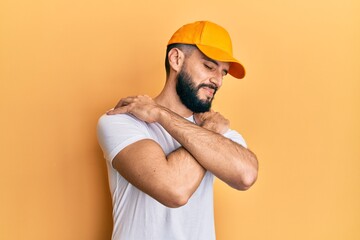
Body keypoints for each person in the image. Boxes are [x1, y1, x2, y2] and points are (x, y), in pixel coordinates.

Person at [97, 20, 258, 240]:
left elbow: (247, 176)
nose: (218, 81)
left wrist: (162, 115)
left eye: (224, 73)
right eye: (209, 66)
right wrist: (208, 130)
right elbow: (175, 190)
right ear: (176, 59)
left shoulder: (216, 128)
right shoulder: (121, 120)